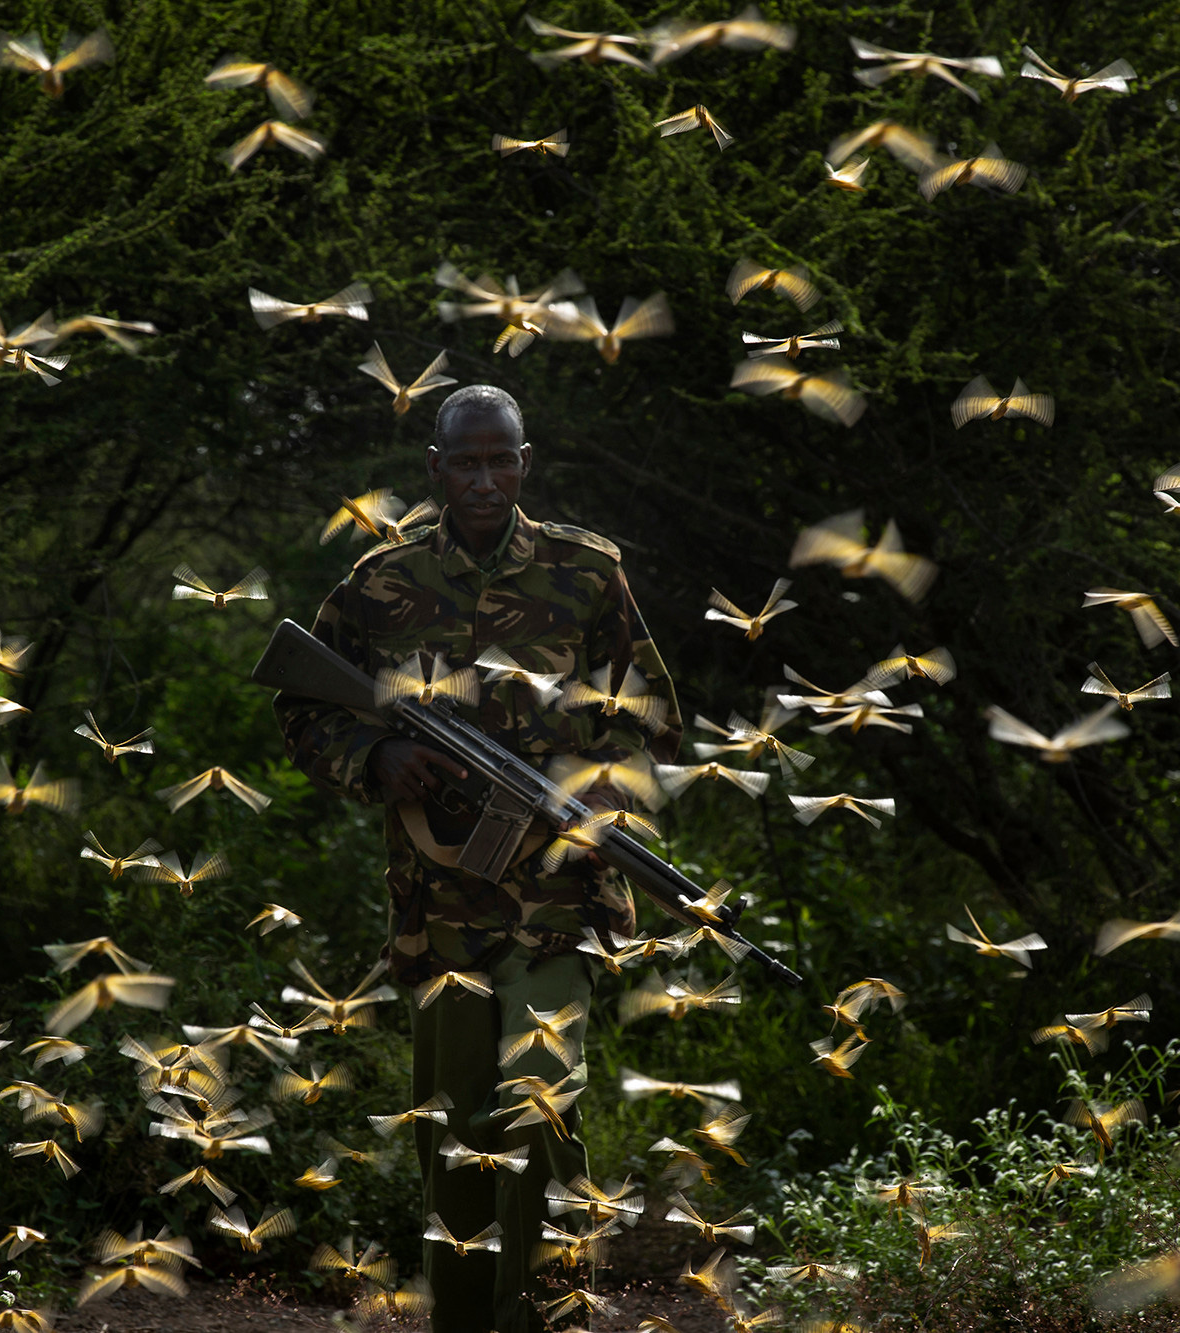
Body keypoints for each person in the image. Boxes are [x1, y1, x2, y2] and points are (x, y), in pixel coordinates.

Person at [274, 384, 681, 1332]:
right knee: (453, 1135)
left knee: (540, 1106)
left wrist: (595, 790)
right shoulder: (381, 581)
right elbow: (304, 702)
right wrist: (375, 755)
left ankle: (545, 1321)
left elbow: (645, 713)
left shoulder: (587, 572)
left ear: (525, 463)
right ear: (437, 469)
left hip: (561, 895)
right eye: (467, 462)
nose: (486, 479)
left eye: (502, 460)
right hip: (438, 905)